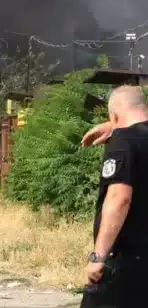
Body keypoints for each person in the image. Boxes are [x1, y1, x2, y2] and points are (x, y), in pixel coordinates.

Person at [77, 85, 148, 308]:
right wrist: (114, 126)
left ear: (115, 113)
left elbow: (119, 198)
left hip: (127, 260)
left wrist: (98, 257)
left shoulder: (123, 142)